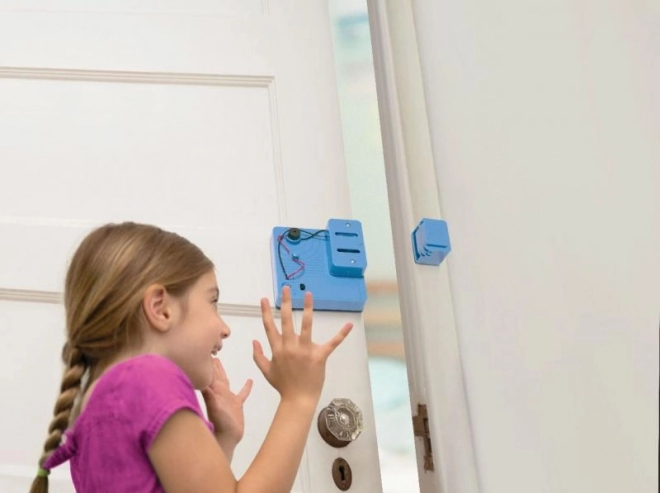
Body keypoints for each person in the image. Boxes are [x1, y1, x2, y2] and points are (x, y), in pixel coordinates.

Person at [30, 221, 353, 493]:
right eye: (212, 302)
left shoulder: (98, 405)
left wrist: (224, 437)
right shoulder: (146, 378)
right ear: (160, 308)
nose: (225, 328)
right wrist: (298, 398)